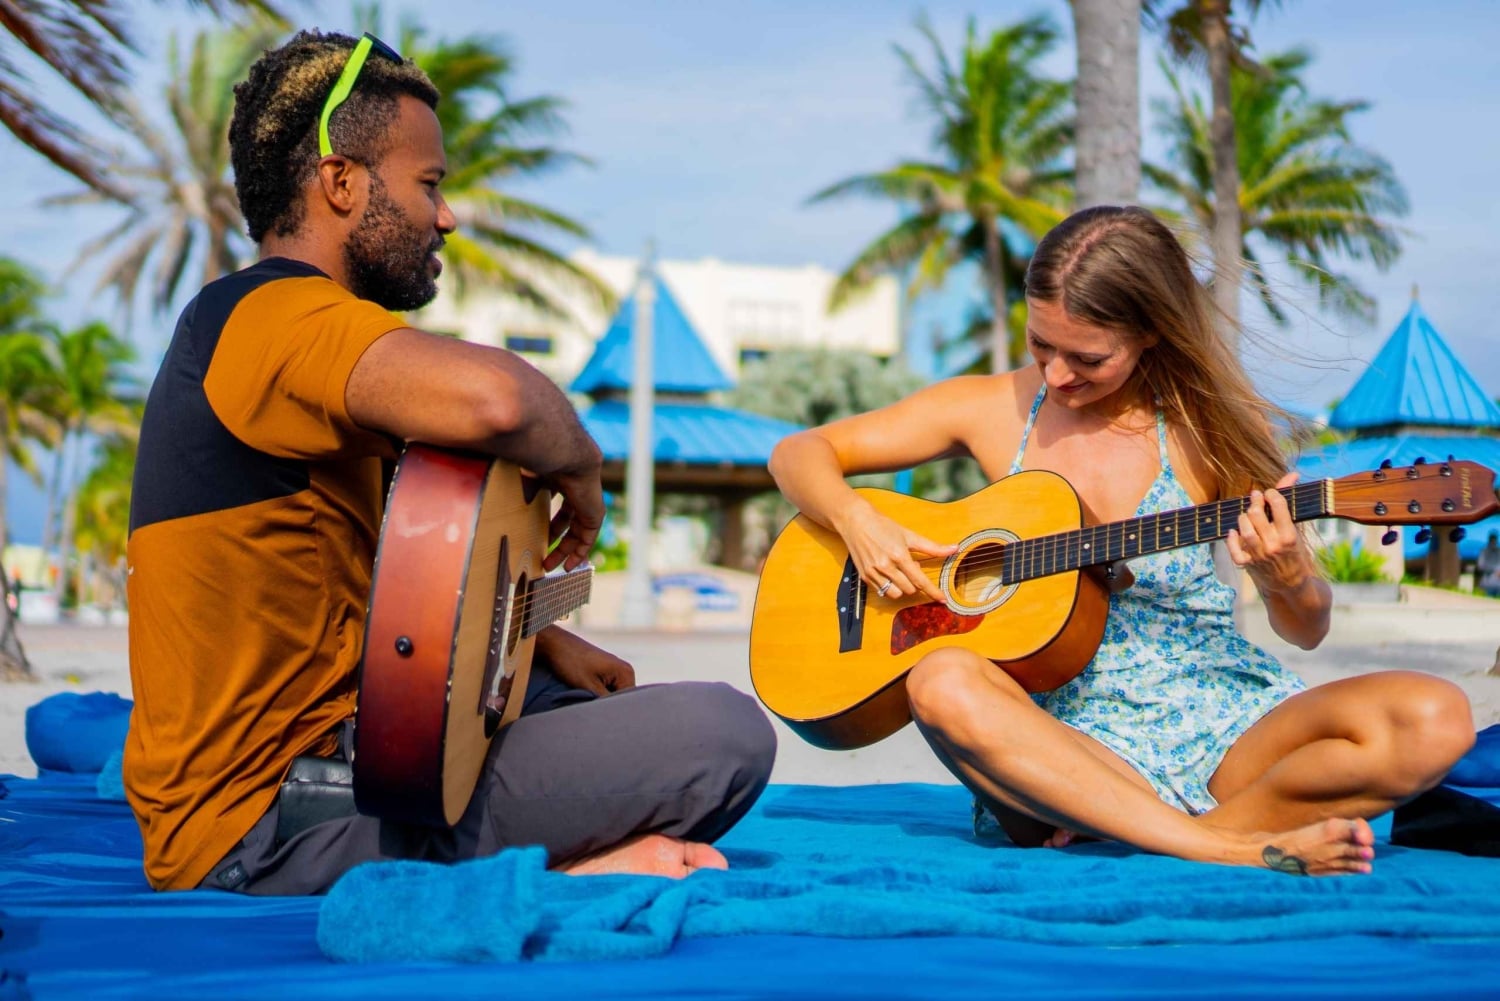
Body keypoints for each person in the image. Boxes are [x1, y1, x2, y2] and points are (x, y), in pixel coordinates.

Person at [123, 30, 775, 895]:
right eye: (428, 184)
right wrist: (580, 465)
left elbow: (365, 606)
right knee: (723, 734)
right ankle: (558, 870)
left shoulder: (294, 350)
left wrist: (536, 644)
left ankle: (548, 851)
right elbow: (497, 400)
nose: (447, 214)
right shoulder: (269, 318)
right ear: (342, 181)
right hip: (264, 824)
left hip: (347, 756)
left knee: (601, 707)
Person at [768, 205, 1476, 877]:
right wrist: (857, 520)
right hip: (1053, 748)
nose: (1055, 373)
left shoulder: (1213, 429)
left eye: (1086, 356)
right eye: (1040, 342)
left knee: (1435, 717)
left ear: (1150, 333)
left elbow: (1308, 629)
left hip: (1216, 713)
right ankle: (1224, 843)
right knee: (940, 679)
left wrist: (1286, 576)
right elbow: (798, 451)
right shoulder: (992, 407)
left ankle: (1173, 832)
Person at [1476, 530, 1500, 598]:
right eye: (1492, 540)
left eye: (1494, 540)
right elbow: (1480, 566)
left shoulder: (1499, 551)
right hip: (1488, 583)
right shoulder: (1484, 551)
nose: (1493, 542)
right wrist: (1495, 570)